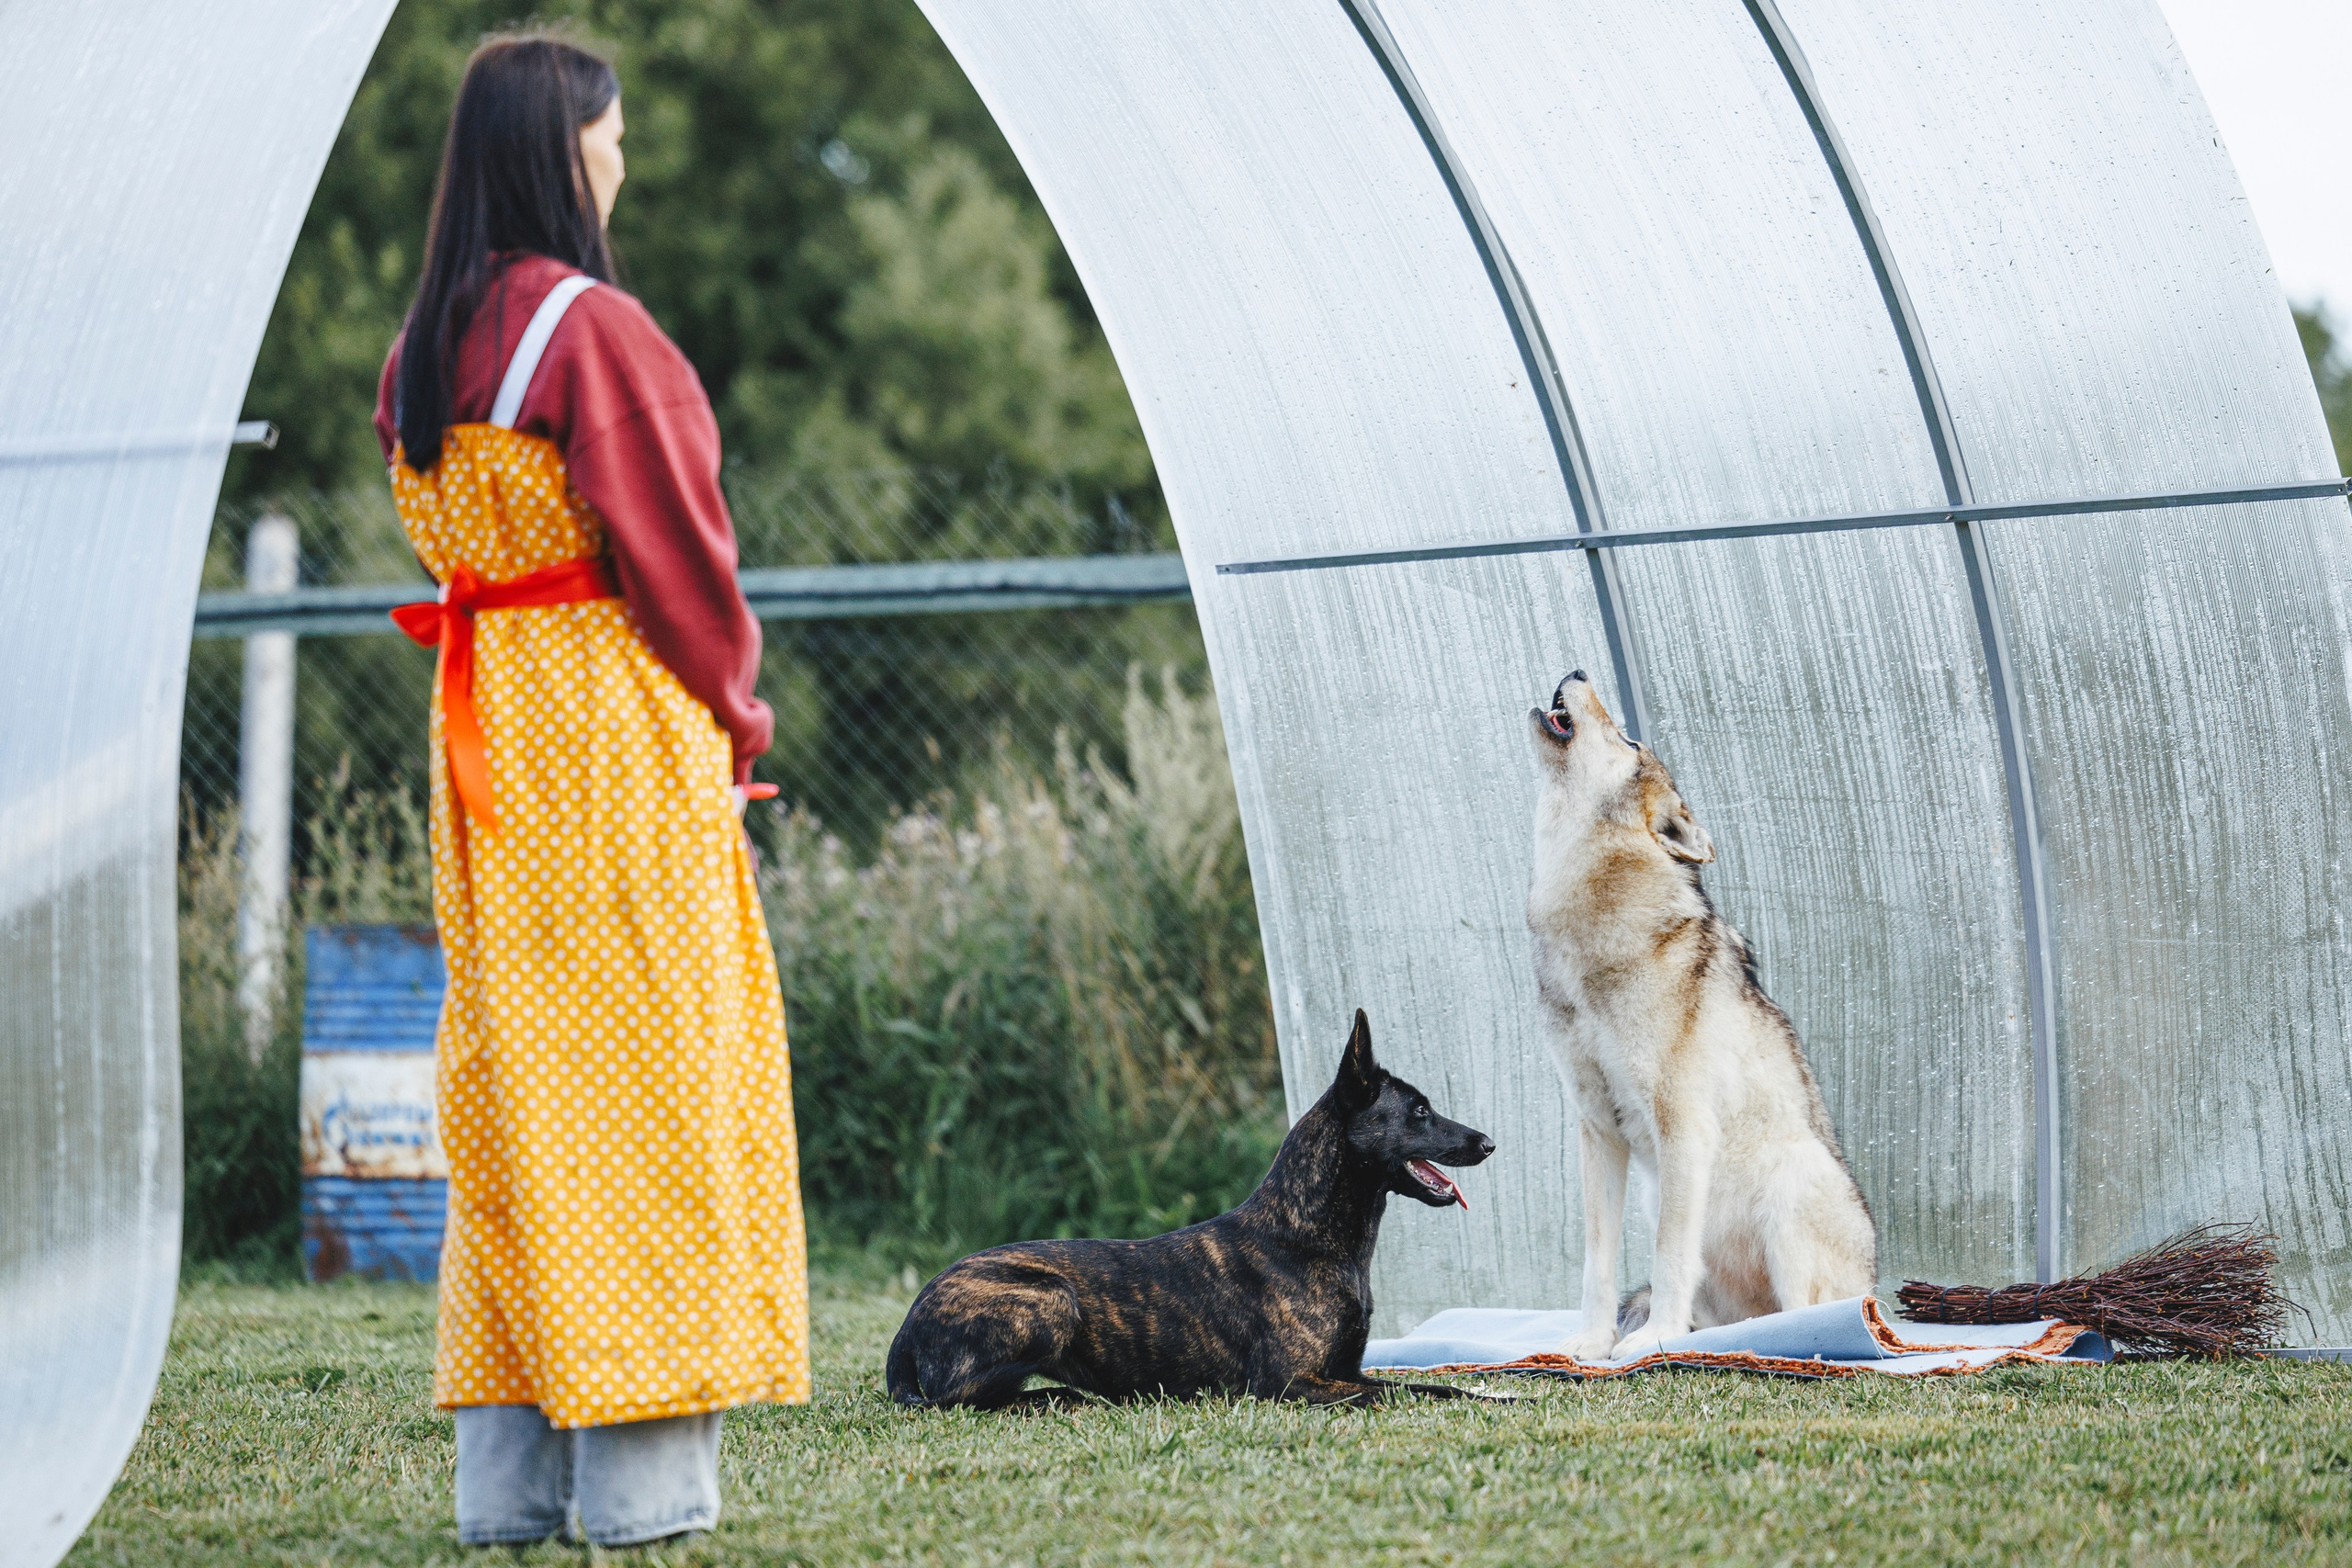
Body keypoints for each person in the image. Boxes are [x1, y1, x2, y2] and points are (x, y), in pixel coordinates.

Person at [373, 31, 808, 1550]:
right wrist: (738, 721)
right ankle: (640, 1490)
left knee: (519, 1096)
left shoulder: (426, 342)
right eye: (611, 136)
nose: (621, 159)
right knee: (650, 1090)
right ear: (572, 151)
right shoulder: (601, 336)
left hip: (487, 743)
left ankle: (511, 1485)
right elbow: (685, 566)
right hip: (613, 735)